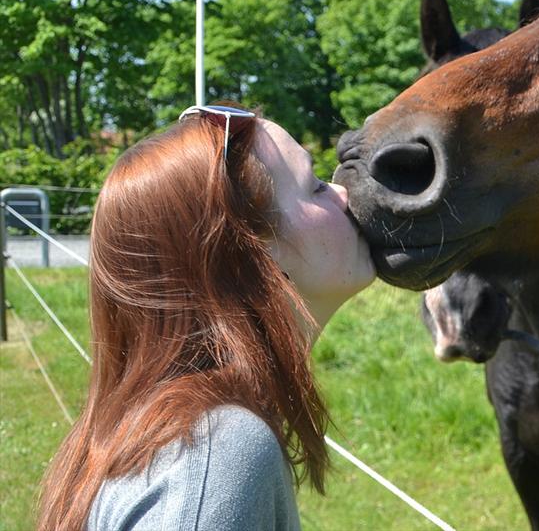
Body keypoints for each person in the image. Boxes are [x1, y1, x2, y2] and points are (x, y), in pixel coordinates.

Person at [36, 104, 376, 530]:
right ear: (250, 259)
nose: (344, 195)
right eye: (315, 187)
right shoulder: (217, 454)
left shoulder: (176, 434)